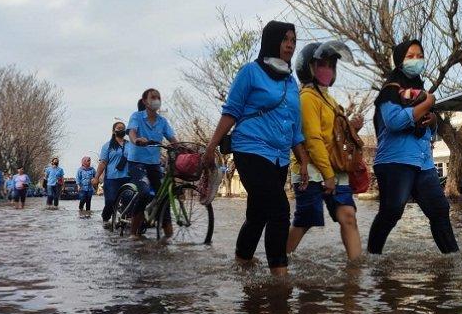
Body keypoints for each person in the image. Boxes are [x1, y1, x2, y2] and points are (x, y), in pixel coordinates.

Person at [203, 20, 309, 276]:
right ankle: (279, 276)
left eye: (294, 40)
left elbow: (295, 127)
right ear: (272, 41)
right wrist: (211, 147)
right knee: (280, 210)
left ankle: (241, 263)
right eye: (285, 39)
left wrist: (303, 161)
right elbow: (231, 112)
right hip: (250, 150)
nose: (290, 45)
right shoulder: (250, 72)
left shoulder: (290, 82)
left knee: (258, 214)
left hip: (279, 158)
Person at [367, 39, 459, 255]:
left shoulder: (420, 92)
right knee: (392, 211)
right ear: (399, 61)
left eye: (419, 56)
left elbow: (428, 132)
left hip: (422, 162)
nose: (416, 61)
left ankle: (453, 259)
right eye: (410, 56)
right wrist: (427, 104)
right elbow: (394, 122)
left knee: (439, 209)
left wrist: (433, 120)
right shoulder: (390, 92)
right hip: (394, 161)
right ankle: (372, 258)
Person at [286, 41, 363, 261]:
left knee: (348, 216)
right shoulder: (307, 97)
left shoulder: (330, 99)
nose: (327, 69)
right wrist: (327, 175)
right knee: (306, 219)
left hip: (336, 169)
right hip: (311, 170)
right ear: (309, 67)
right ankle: (279, 261)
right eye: (322, 64)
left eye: (331, 65)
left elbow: (334, 136)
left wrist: (352, 127)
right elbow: (313, 139)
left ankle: (355, 271)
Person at [126, 88, 178, 236]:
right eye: (153, 97)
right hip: (137, 163)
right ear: (145, 101)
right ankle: (133, 234)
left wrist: (183, 148)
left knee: (164, 195)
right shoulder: (136, 116)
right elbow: (132, 132)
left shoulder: (162, 121)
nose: (156, 100)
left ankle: (168, 235)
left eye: (158, 97)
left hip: (154, 164)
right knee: (145, 192)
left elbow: (172, 139)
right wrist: (136, 139)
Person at [94, 122, 131, 227]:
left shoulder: (130, 145)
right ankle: (106, 218)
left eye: (123, 128)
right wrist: (96, 177)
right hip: (112, 178)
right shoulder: (107, 146)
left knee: (129, 200)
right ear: (114, 131)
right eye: (119, 128)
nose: (121, 130)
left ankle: (126, 220)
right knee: (110, 200)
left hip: (127, 177)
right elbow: (103, 163)